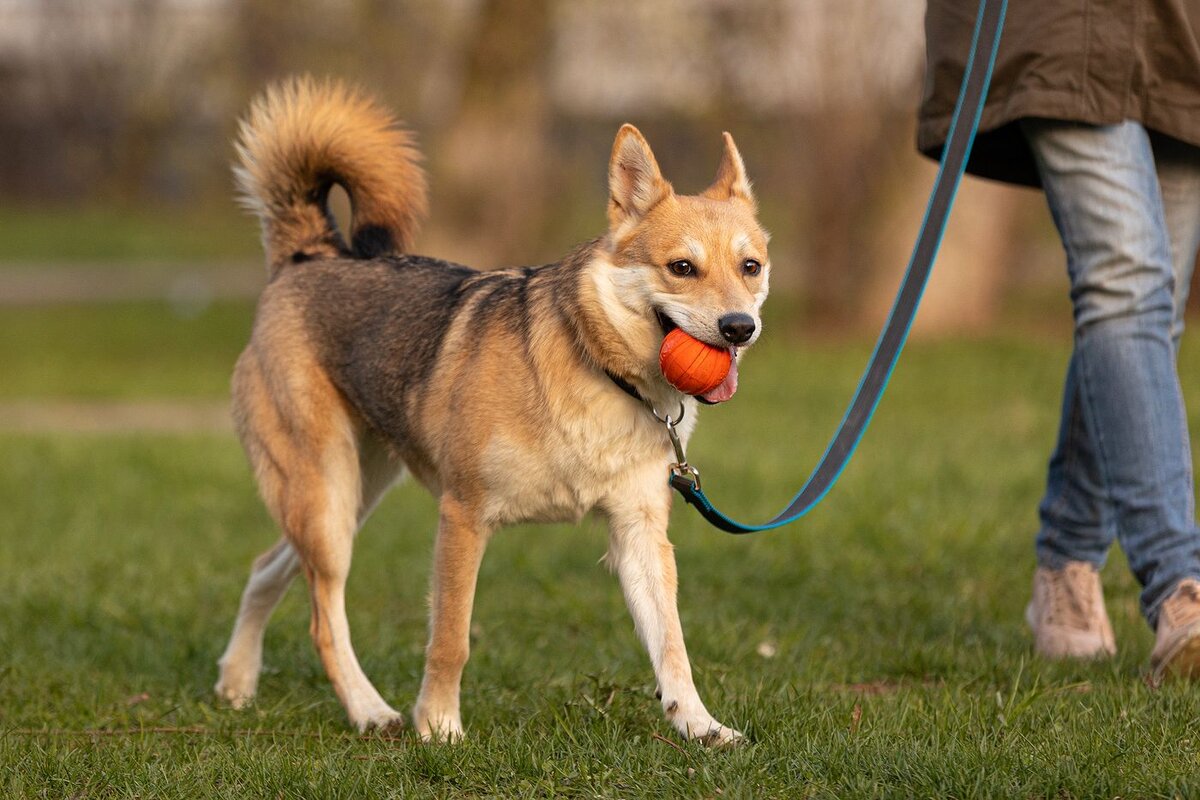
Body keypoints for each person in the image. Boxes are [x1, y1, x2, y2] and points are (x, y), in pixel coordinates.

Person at [918, 0, 1200, 679]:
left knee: (1148, 313)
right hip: (1055, 25)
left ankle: (1067, 564)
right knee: (1125, 284)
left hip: (1181, 35)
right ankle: (1178, 589)